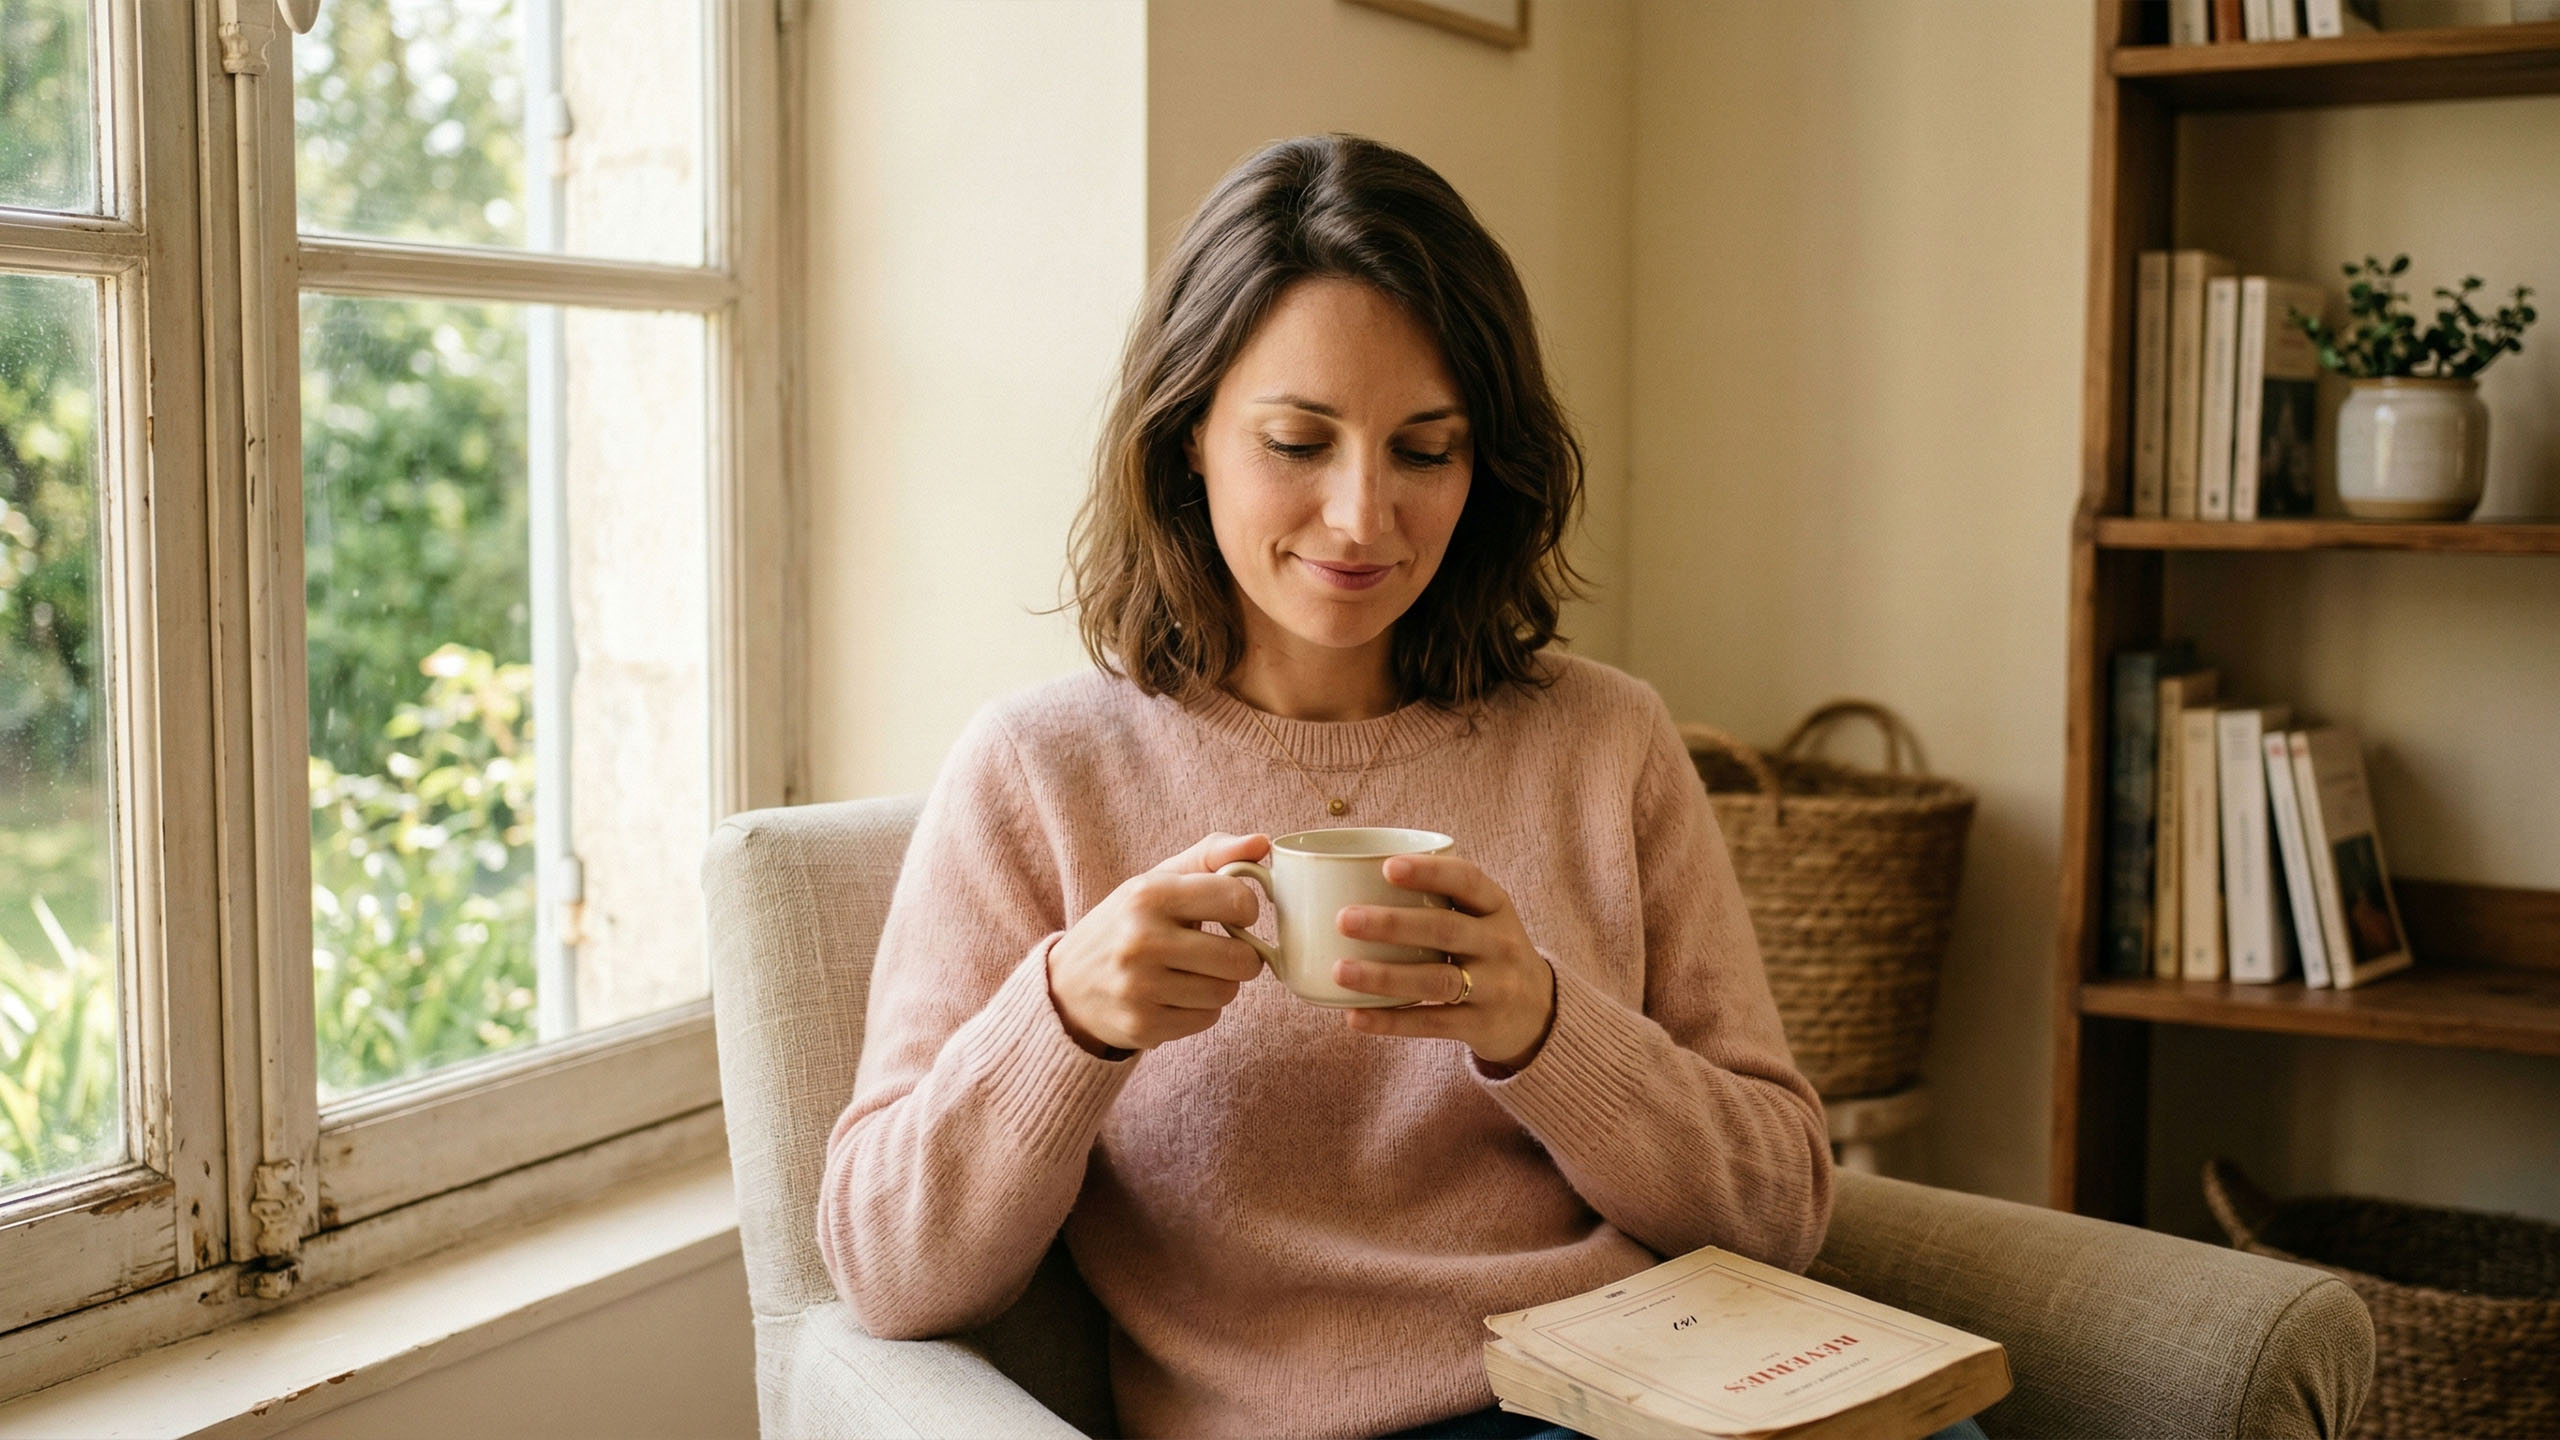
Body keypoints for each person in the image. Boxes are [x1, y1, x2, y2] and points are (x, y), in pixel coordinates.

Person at [817, 134, 1974, 1440]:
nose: (1363, 516)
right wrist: (1068, 1018)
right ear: (1189, 436)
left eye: (1425, 451)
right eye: (1297, 442)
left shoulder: (1607, 740)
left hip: (1647, 1397)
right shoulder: (1042, 770)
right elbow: (889, 1272)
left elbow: (1779, 1213)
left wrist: (1544, 1027)